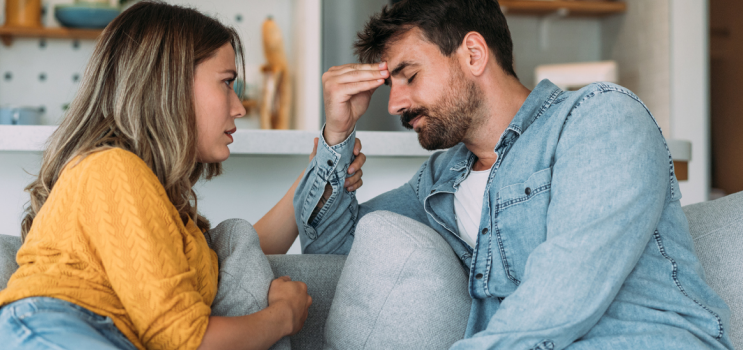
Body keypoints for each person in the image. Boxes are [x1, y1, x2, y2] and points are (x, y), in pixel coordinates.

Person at [293, 0, 735, 349]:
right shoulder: (441, 180)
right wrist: (338, 133)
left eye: (408, 76)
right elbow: (330, 250)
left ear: (472, 53)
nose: (394, 105)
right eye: (391, 86)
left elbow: (564, 294)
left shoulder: (600, 118)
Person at [0, 2, 367, 350]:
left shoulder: (165, 213)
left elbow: (241, 250)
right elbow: (186, 341)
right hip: (49, 328)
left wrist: (324, 166)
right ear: (169, 84)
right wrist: (283, 316)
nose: (239, 107)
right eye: (227, 83)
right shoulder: (111, 168)